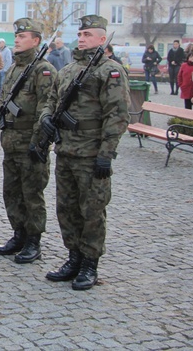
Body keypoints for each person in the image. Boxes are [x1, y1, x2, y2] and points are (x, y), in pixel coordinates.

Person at [41, 15, 129, 291]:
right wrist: (46, 116)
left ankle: (90, 263)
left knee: (91, 210)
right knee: (66, 208)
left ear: (102, 39)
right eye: (80, 34)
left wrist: (107, 153)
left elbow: (117, 115)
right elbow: (51, 100)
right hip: (66, 150)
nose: (82, 38)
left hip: (91, 153)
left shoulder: (110, 71)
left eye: (88, 34)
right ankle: (73, 257)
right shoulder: (68, 70)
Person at [0, 18, 56, 264]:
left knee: (32, 194)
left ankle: (33, 241)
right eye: (16, 36)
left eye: (22, 36)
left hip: (30, 142)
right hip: (11, 141)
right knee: (12, 192)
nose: (16, 39)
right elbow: (4, 96)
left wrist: (38, 142)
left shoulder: (43, 70)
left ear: (36, 41)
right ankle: (18, 234)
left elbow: (46, 108)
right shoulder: (15, 68)